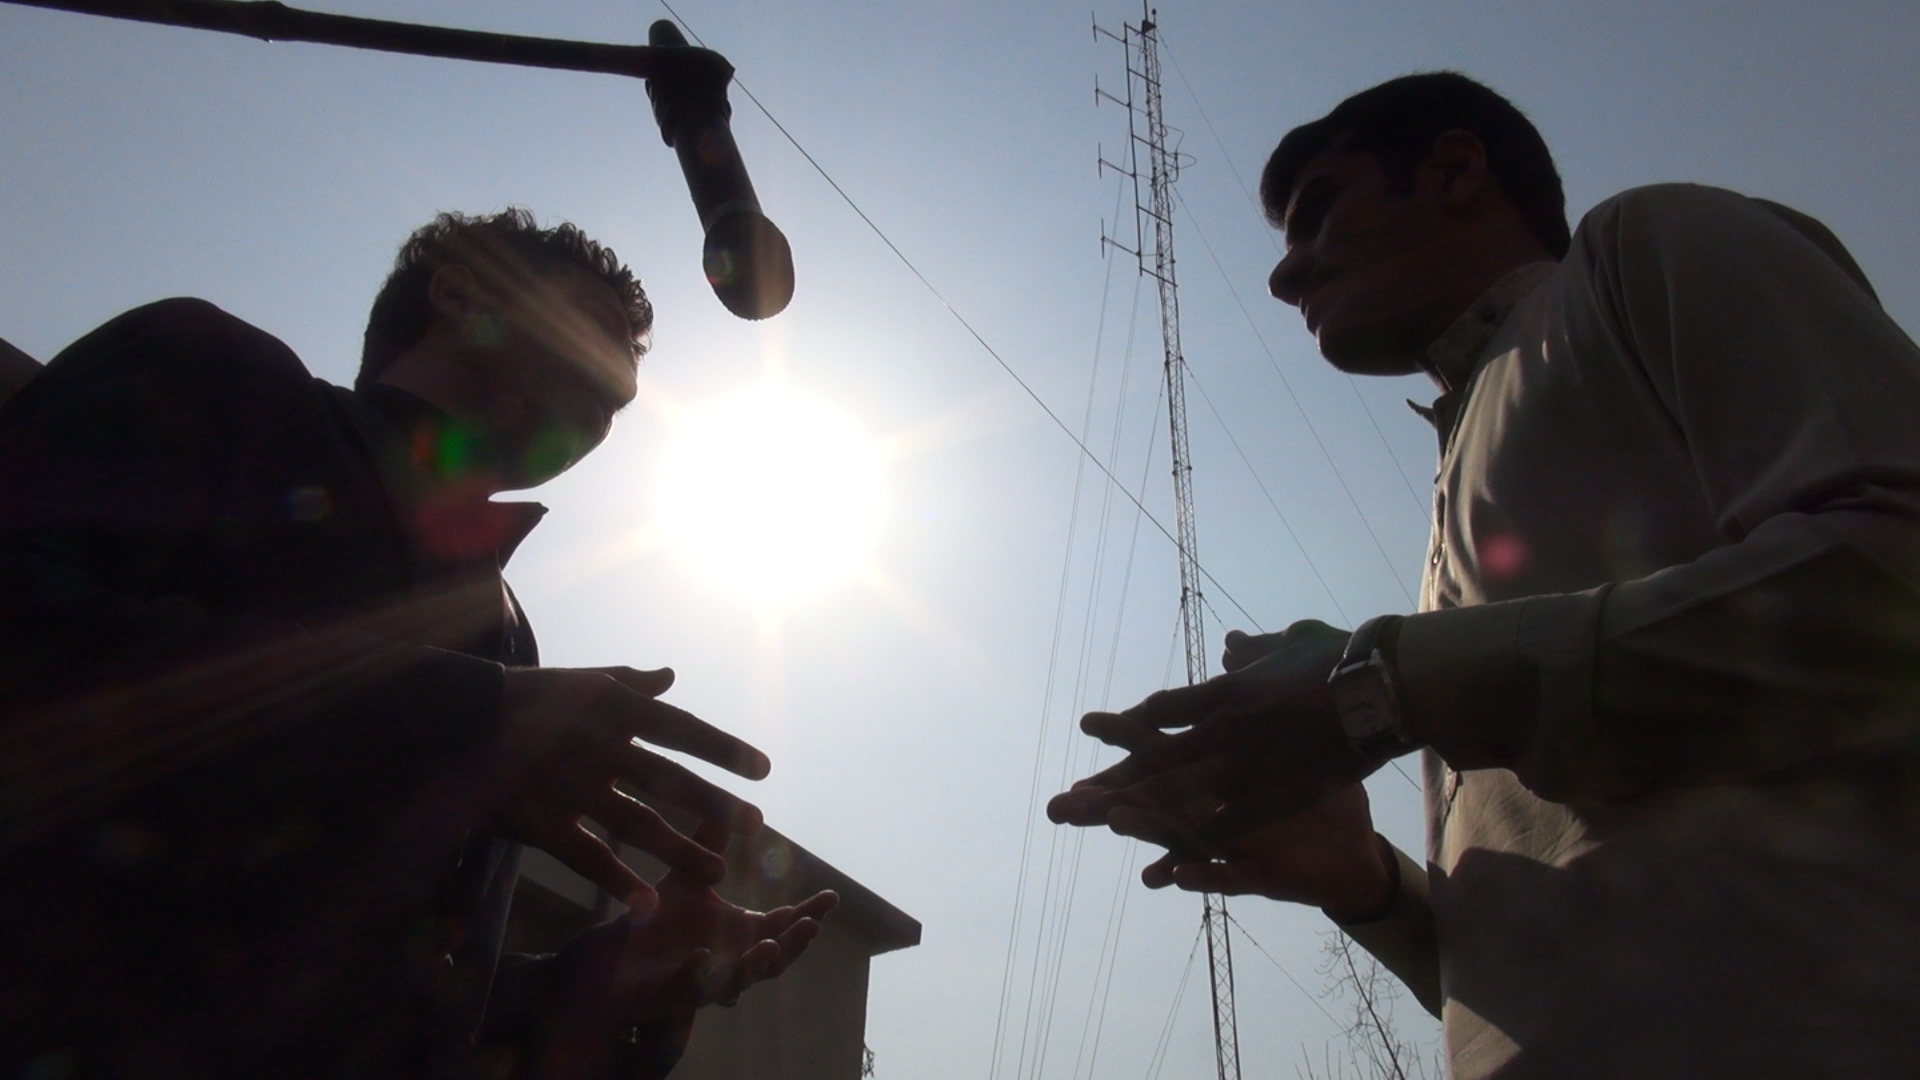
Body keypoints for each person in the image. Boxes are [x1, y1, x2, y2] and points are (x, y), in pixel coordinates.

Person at [1049, 73, 1920, 1078]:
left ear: (1458, 170)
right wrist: (1368, 885)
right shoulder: (1457, 473)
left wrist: (1384, 690)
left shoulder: (1641, 248)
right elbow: (1579, 971)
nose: (1286, 275)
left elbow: (1892, 574)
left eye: (1319, 209)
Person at [0, 209, 835, 1079]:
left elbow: (387, 998)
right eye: (592, 321)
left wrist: (600, 983)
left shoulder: (512, 641)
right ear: (460, 294)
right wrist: (460, 720)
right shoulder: (218, 372)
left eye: (627, 392)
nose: (620, 384)